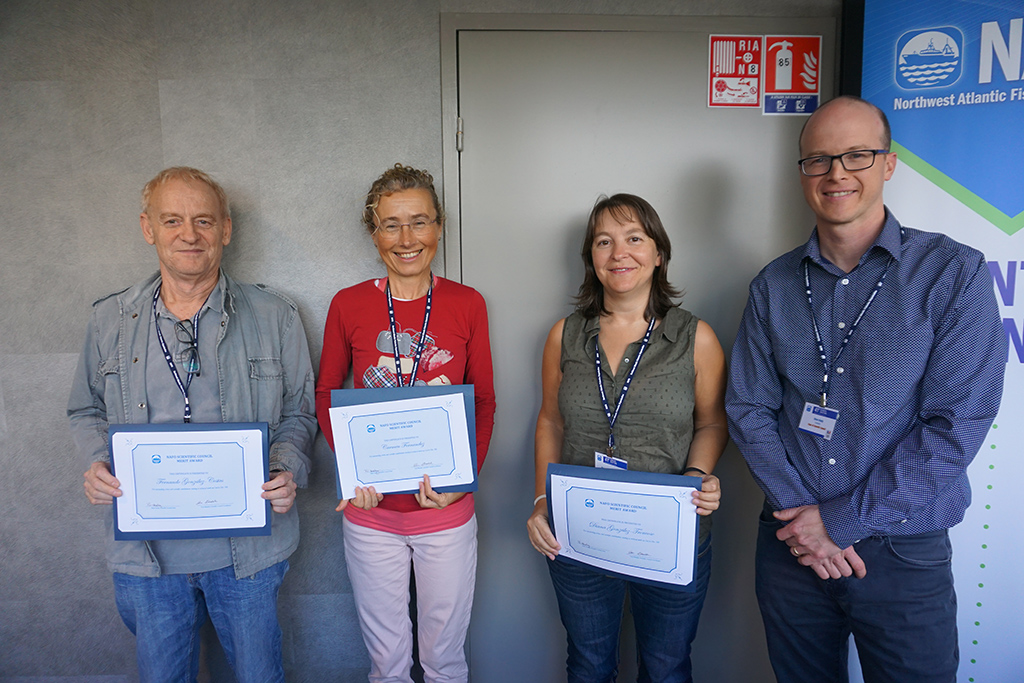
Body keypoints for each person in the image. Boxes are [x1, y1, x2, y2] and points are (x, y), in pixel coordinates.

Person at [726, 96, 1006, 683]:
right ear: (802, 170)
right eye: (819, 159)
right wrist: (805, 523)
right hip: (789, 545)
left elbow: (957, 426)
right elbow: (748, 408)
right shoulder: (773, 285)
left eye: (857, 155)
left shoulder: (954, 273)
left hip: (904, 551)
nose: (836, 174)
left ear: (889, 163)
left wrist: (837, 522)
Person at [67, 167, 316, 682]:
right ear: (148, 228)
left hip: (249, 551)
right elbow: (85, 409)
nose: (189, 234)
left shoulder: (276, 316)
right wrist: (95, 462)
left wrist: (288, 469)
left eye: (204, 220)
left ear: (225, 229)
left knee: (259, 677)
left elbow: (300, 412)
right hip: (146, 555)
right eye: (172, 220)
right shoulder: (108, 320)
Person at [527, 193, 728, 682]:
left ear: (658, 252)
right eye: (604, 241)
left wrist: (700, 476)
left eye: (634, 238)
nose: (620, 253)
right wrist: (539, 502)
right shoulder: (565, 335)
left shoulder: (694, 337)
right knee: (590, 663)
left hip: (669, 532)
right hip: (578, 529)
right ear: (591, 258)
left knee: (665, 667)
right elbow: (551, 421)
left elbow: (713, 422)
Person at [316, 164, 495, 683]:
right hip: (371, 514)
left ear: (439, 227)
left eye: (419, 222)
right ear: (373, 234)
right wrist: (354, 472)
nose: (407, 238)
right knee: (387, 664)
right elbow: (326, 394)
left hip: (445, 511)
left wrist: (461, 484)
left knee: (444, 661)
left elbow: (483, 401)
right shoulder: (348, 305)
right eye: (391, 224)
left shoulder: (467, 304)